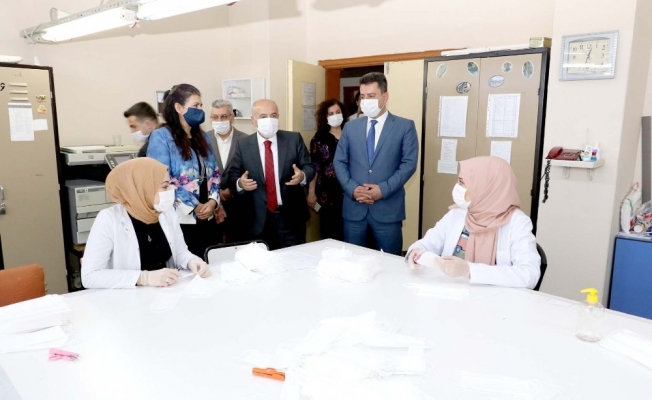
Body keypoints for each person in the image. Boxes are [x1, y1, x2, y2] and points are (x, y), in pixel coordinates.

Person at [406, 156, 541, 289]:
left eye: (462, 182)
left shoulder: (517, 222)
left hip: (496, 299)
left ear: (484, 187)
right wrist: (416, 253)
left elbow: (529, 275)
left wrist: (469, 270)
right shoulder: (457, 213)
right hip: (452, 293)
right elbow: (425, 244)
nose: (457, 187)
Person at [81, 158, 211, 289]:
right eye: (165, 186)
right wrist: (143, 278)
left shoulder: (165, 212)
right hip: (127, 297)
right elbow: (90, 276)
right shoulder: (109, 219)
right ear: (143, 188)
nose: (171, 190)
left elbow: (180, 252)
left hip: (166, 293)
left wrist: (192, 261)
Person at [333, 72, 418, 255]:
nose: (366, 101)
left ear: (385, 97)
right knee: (352, 261)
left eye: (371, 96)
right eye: (363, 97)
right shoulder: (350, 127)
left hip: (387, 211)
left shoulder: (404, 127)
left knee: (390, 263)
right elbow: (339, 161)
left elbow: (409, 164)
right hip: (354, 210)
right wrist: (353, 189)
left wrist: (383, 190)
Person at [225, 99, 315, 250]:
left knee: (294, 260)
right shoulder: (244, 144)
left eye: (273, 115)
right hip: (257, 220)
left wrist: (302, 176)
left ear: (278, 117)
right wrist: (240, 183)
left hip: (290, 218)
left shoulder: (293, 139)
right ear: (254, 120)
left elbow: (309, 167)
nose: (269, 120)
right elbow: (232, 176)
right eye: (263, 116)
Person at [147, 84, 221, 258]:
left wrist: (212, 202)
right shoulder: (162, 136)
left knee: (207, 263)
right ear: (179, 108)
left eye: (201, 105)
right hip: (180, 218)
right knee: (186, 265)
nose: (200, 110)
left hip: (207, 215)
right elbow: (161, 179)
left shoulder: (204, 137)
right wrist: (194, 206)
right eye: (195, 105)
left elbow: (215, 173)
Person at [208, 99, 246, 243]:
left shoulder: (246, 140)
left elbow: (249, 169)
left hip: (239, 204)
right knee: (213, 246)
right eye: (215, 117)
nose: (219, 121)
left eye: (223, 116)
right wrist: (216, 196)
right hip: (211, 204)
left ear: (232, 117)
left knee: (237, 243)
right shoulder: (202, 140)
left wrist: (231, 190)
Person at [307, 99, 347, 240]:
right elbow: (315, 167)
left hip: (350, 192)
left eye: (337, 112)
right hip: (328, 193)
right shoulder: (319, 138)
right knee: (330, 233)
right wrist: (311, 192)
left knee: (350, 234)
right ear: (325, 117)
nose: (335, 116)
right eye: (331, 113)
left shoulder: (351, 133)